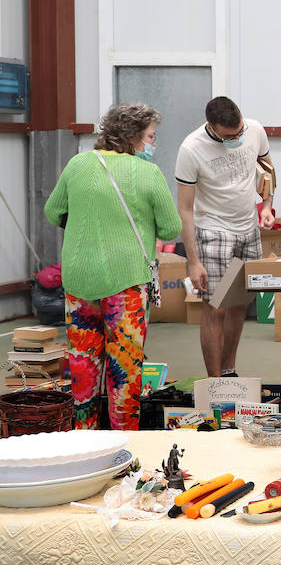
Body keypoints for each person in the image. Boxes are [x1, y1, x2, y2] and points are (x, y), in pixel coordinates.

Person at [44, 103, 181, 429]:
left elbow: (53, 211)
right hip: (127, 285)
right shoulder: (148, 173)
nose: (153, 143)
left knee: (83, 369)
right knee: (124, 373)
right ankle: (124, 445)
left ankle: (84, 442)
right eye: (151, 136)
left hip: (78, 281)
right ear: (133, 136)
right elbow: (171, 228)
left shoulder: (78, 164)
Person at [174, 97, 274, 377]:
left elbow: (266, 168)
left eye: (239, 131)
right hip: (213, 232)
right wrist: (193, 261)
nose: (238, 138)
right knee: (215, 308)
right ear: (212, 127)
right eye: (230, 136)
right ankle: (214, 382)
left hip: (248, 229)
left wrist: (266, 205)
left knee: (239, 303)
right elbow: (184, 209)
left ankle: (229, 372)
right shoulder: (191, 149)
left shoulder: (254, 130)